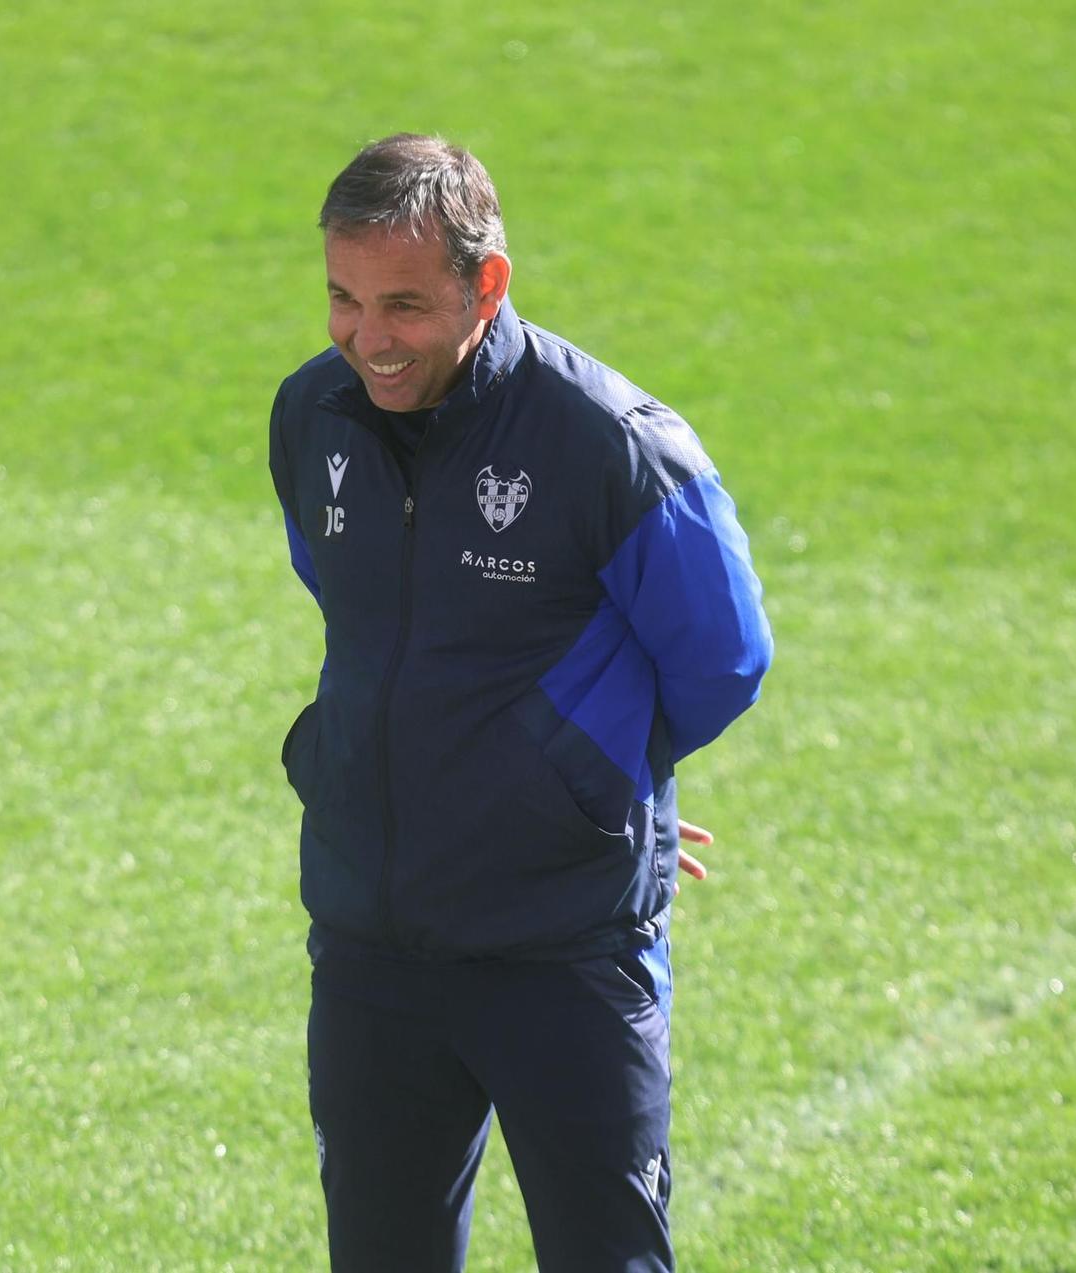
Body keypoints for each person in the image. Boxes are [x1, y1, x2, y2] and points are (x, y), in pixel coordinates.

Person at [268, 134, 773, 1272]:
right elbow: (356, 609)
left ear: (485, 284)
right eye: (343, 300)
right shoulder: (312, 418)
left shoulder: (612, 446)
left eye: (402, 304)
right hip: (372, 948)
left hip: (562, 956)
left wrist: (585, 776)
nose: (367, 339)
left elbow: (724, 658)